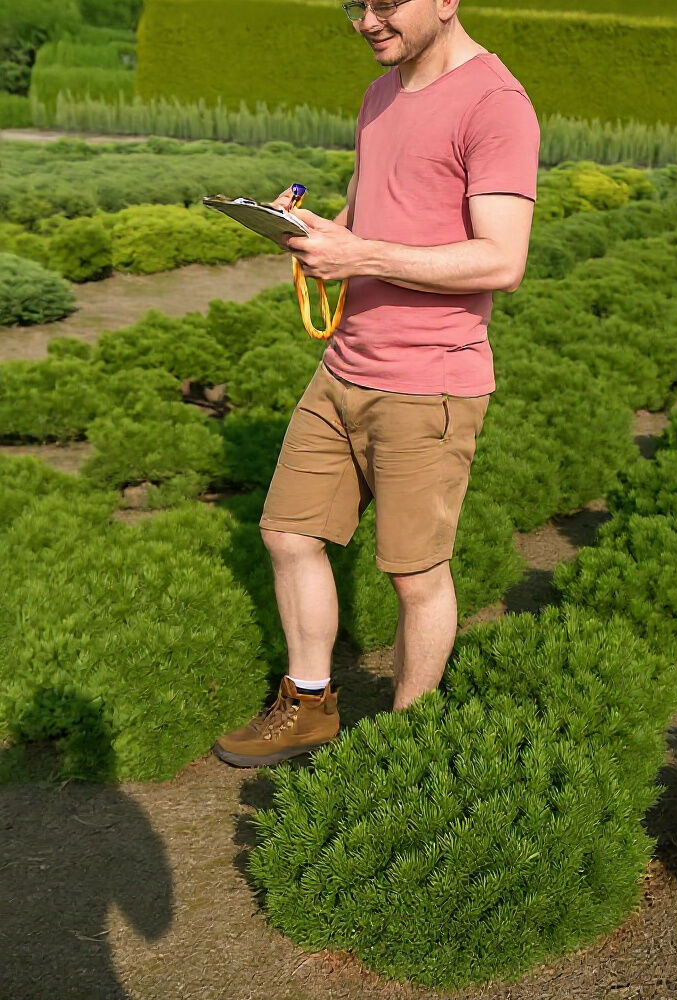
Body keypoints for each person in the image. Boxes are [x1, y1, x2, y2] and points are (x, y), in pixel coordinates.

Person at [213, 0, 540, 768]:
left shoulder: (496, 104)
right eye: (353, 4)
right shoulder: (381, 92)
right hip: (344, 366)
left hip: (429, 384)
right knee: (288, 534)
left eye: (385, 3)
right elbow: (368, 216)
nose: (366, 20)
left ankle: (404, 744)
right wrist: (311, 232)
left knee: (415, 576)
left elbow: (501, 259)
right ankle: (308, 706)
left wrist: (359, 256)